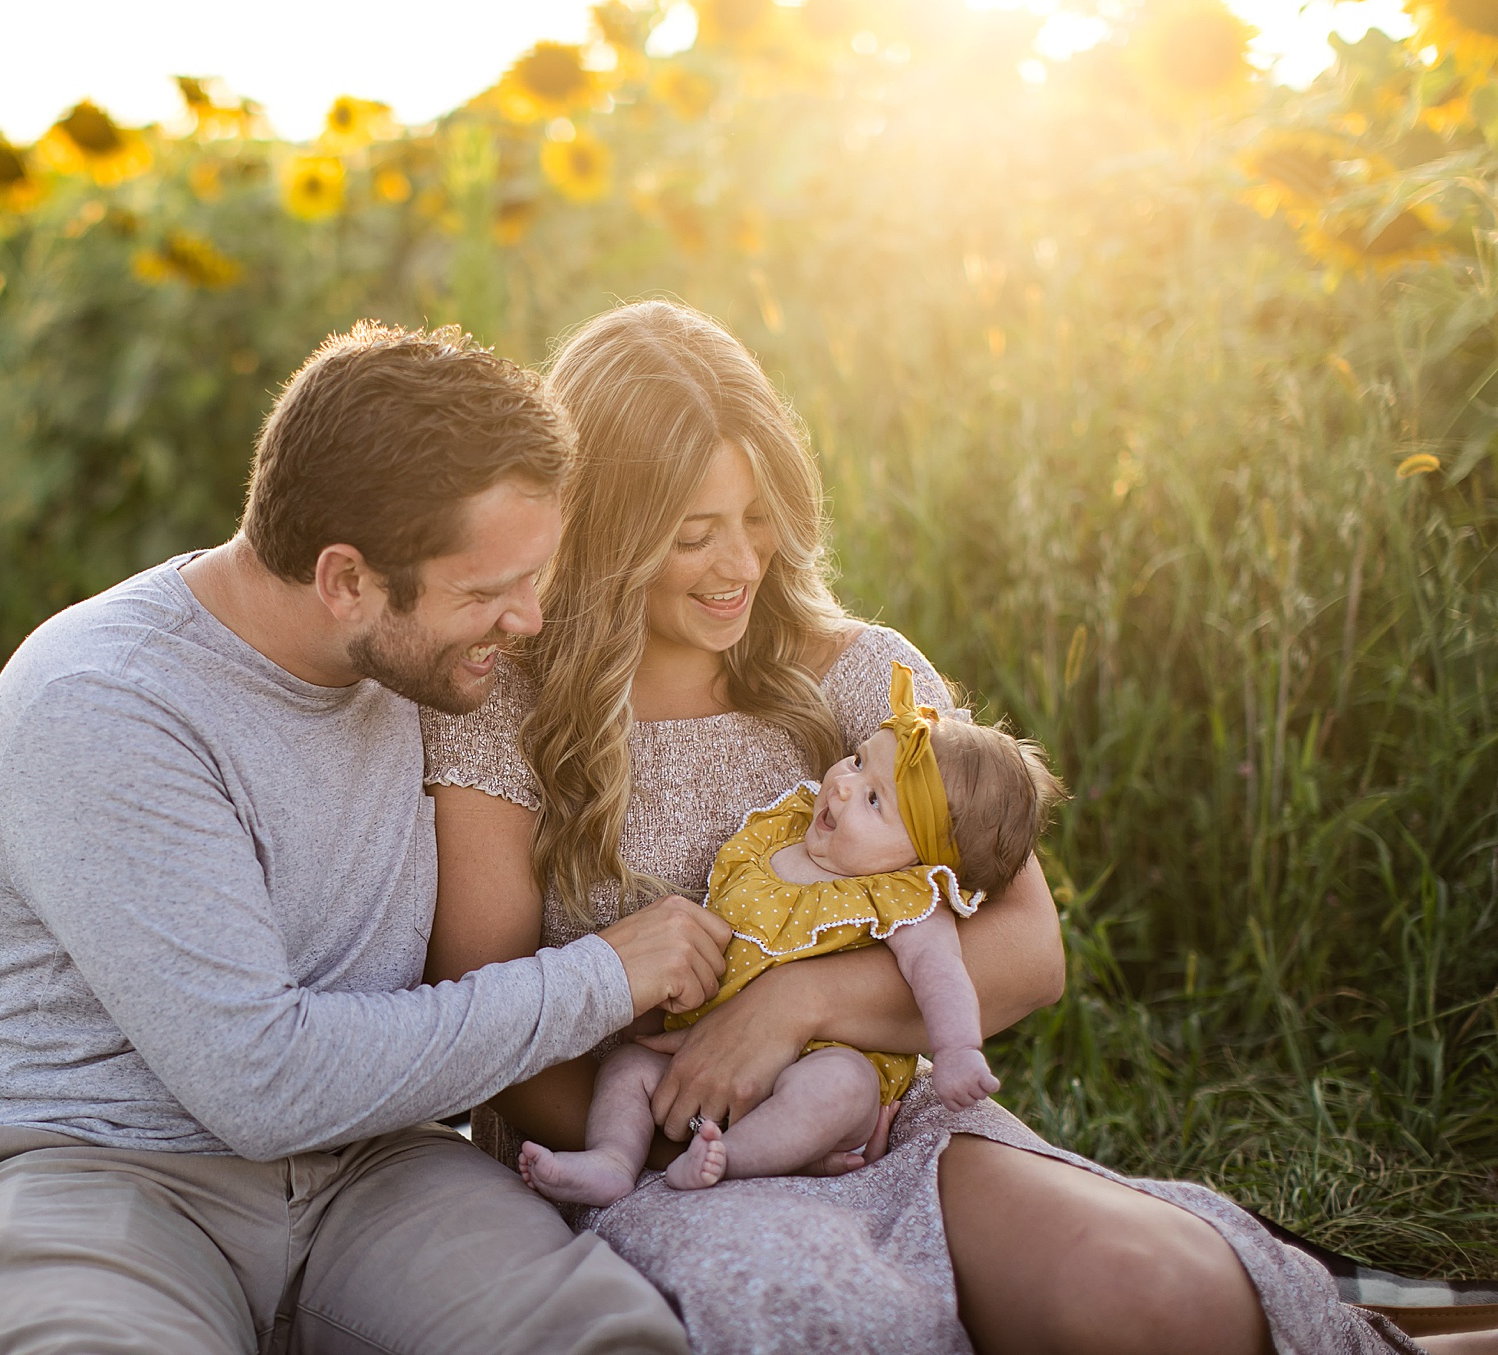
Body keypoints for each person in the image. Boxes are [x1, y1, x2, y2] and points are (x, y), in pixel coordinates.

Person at [422, 299, 1425, 1355]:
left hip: (887, 1126)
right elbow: (491, 1025)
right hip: (641, 1154)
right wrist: (695, 1128)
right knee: (839, 1323)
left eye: (759, 517)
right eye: (691, 533)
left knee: (1154, 1293)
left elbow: (1028, 949)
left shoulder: (861, 674)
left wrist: (796, 1001)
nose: (738, 564)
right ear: (604, 531)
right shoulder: (506, 709)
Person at [0, 321, 731, 1355]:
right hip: (90, 1167)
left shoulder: (429, 664)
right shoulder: (106, 705)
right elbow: (261, 1082)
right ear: (344, 580)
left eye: (535, 576)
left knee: (607, 1338)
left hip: (373, 1170)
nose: (528, 621)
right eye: (484, 591)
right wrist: (601, 976)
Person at [520, 663, 1063, 1205]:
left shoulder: (905, 898)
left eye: (875, 800)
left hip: (821, 1057)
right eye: (856, 761)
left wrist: (960, 1051)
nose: (845, 787)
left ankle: (730, 1160)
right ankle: (613, 1161)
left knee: (841, 1089)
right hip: (708, 1049)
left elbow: (942, 975)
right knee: (628, 1068)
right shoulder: (781, 834)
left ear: (926, 858)